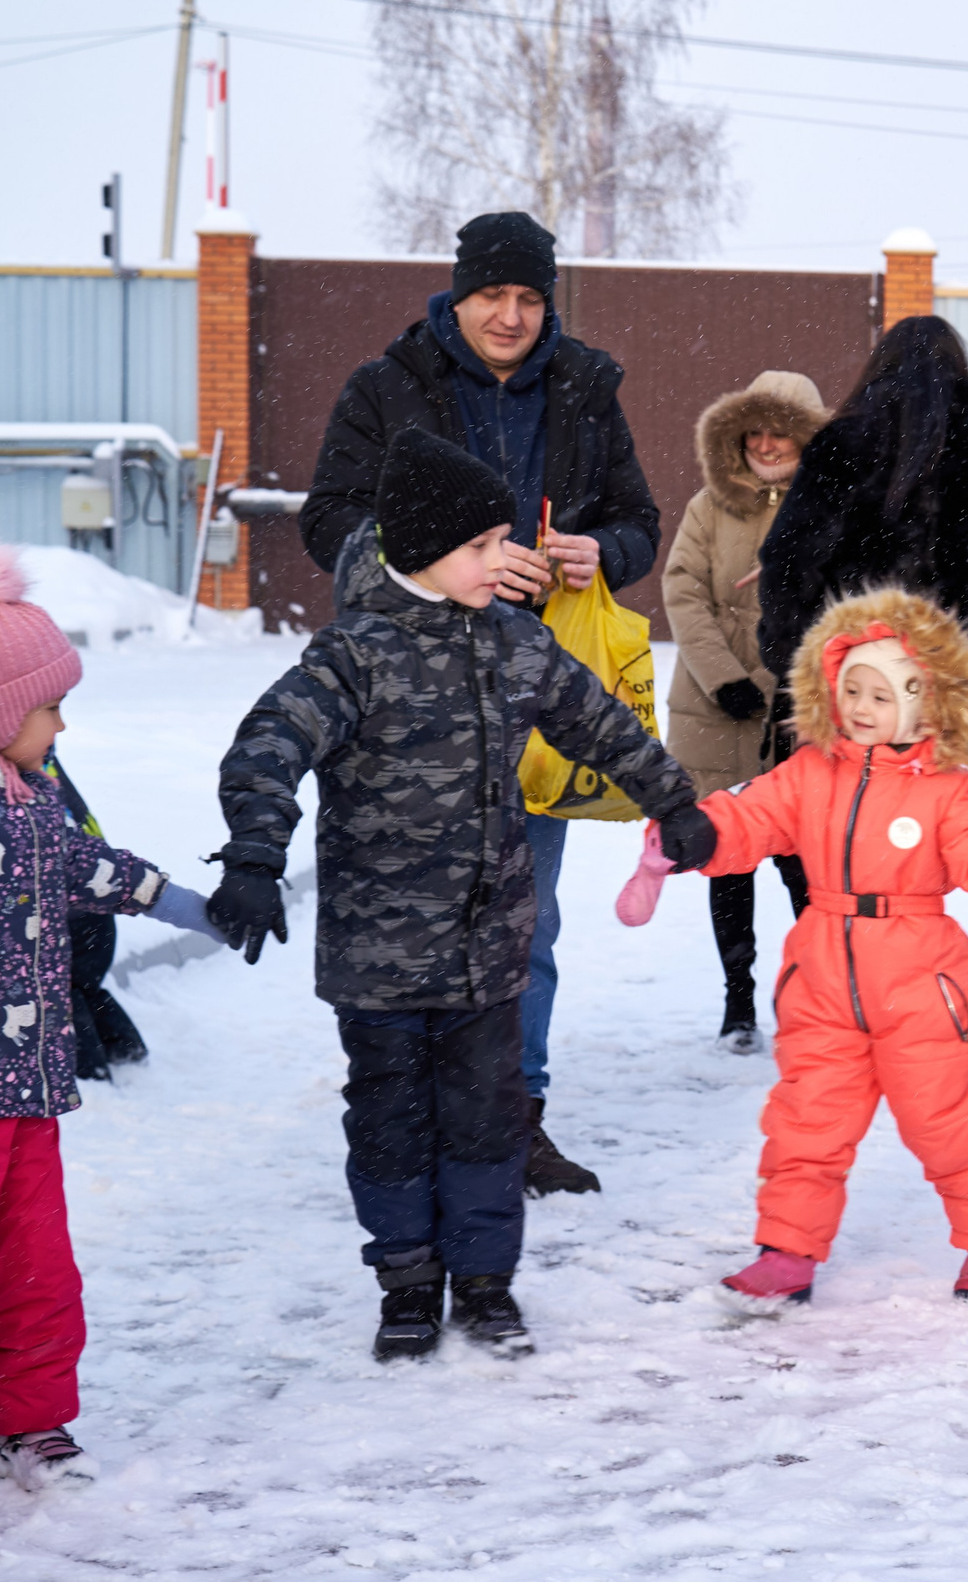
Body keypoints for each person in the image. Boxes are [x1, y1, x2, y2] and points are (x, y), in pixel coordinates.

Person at [210, 428, 713, 1363]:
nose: (502, 561)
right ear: (419, 551)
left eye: (502, 541)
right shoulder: (354, 654)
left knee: (488, 1118)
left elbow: (600, 724)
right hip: (380, 956)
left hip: (488, 948)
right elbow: (269, 741)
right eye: (480, 545)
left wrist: (674, 799)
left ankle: (485, 1282)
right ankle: (406, 1282)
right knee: (391, 1123)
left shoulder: (515, 642)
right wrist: (253, 854)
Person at [298, 210, 663, 1200]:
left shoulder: (585, 388)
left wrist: (607, 552)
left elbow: (639, 519)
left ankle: (512, 1122)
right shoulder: (388, 388)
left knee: (524, 922)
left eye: (528, 296)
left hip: (538, 695)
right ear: (457, 296)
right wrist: (442, 552)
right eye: (491, 295)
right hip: (415, 692)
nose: (509, 315)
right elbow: (326, 519)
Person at [650, 587, 968, 1313]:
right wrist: (700, 834)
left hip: (923, 983)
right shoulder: (809, 773)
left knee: (945, 1119)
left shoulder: (953, 792)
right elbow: (751, 816)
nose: (863, 706)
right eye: (853, 689)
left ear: (930, 703)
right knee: (807, 1118)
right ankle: (787, 1251)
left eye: (885, 692)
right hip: (822, 977)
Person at [0, 553, 215, 1492]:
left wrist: (204, 909)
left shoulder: (39, 805)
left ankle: (33, 1417)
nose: (62, 723)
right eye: (49, 707)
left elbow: (105, 873)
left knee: (41, 1268)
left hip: (31, 1092)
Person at [664, 371, 827, 1054]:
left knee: (804, 866)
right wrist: (725, 677)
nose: (766, 442)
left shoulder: (831, 506)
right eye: (755, 428)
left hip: (799, 714)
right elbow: (683, 590)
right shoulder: (710, 505)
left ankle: (808, 997)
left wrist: (810, 689)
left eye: (780, 428)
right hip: (717, 710)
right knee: (727, 862)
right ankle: (738, 999)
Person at [756, 315, 968, 689]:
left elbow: (789, 558)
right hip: (921, 676)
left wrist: (788, 656)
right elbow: (961, 580)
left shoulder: (840, 442)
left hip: (836, 665)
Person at [46, 752, 151, 1082]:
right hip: (95, 902)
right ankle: (127, 1053)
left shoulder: (21, 779)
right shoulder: (40, 760)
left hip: (67, 910)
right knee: (84, 986)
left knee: (60, 996)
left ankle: (89, 1077)